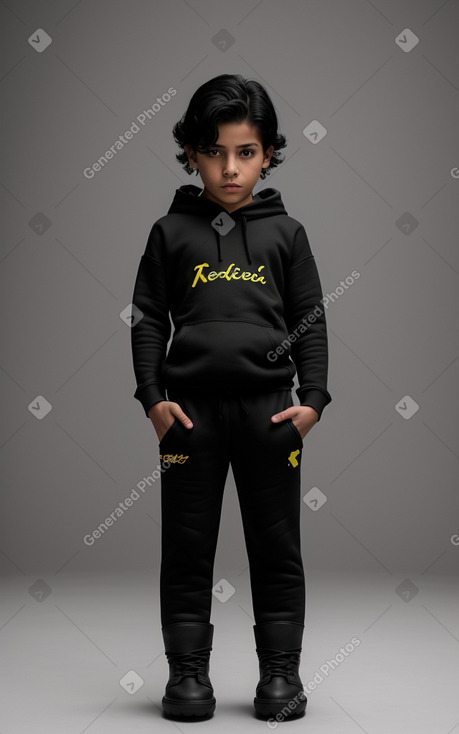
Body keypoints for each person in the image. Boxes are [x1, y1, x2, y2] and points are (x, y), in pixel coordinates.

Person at [130, 73, 332, 721]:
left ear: (268, 152)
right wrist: (154, 401)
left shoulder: (287, 235)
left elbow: (311, 320)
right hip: (189, 418)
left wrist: (312, 402)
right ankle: (186, 679)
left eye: (245, 152)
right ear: (190, 152)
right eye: (213, 151)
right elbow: (147, 320)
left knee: (277, 552)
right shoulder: (169, 232)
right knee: (186, 553)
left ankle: (280, 680)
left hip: (270, 416)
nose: (229, 168)